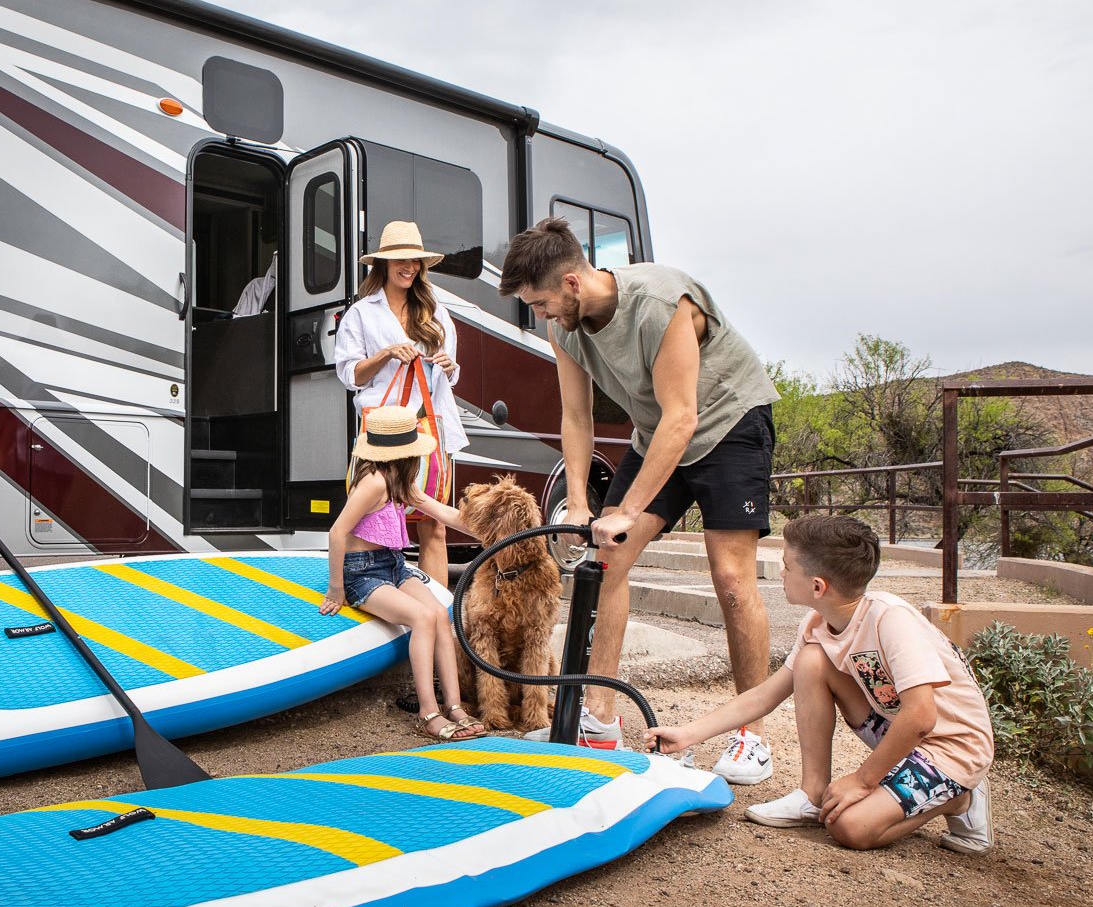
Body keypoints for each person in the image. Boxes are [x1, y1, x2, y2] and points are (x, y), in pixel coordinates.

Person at [497, 217, 779, 782]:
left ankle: (754, 736)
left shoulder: (658, 302)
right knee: (606, 562)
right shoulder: (566, 329)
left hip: (727, 423)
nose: (542, 315)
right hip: (660, 435)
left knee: (730, 578)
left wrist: (626, 511)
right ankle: (599, 721)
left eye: (544, 303)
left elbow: (684, 416)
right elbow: (575, 415)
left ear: (573, 283)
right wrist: (578, 501)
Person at [646, 515, 995, 853]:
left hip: (952, 747)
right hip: (900, 732)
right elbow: (767, 695)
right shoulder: (817, 624)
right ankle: (811, 795)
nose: (781, 573)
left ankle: (960, 798)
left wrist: (862, 780)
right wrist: (688, 734)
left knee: (849, 826)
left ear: (817, 586)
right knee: (811, 661)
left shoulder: (891, 619)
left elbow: (921, 717)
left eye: (787, 566)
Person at [320, 405, 485, 741]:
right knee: (422, 618)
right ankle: (428, 712)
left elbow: (447, 515)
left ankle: (454, 707)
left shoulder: (399, 480)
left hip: (392, 564)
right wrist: (336, 589)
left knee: (441, 614)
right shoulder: (373, 482)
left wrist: (491, 529)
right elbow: (337, 533)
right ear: (407, 453)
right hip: (362, 574)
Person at [335, 220, 468, 587]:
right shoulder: (361, 313)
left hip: (426, 427)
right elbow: (351, 375)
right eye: (400, 261)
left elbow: (451, 375)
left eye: (415, 261)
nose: (409, 267)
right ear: (383, 264)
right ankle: (379, 599)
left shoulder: (437, 313)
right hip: (383, 433)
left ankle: (437, 614)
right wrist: (386, 355)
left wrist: (449, 365)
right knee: (374, 523)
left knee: (434, 527)